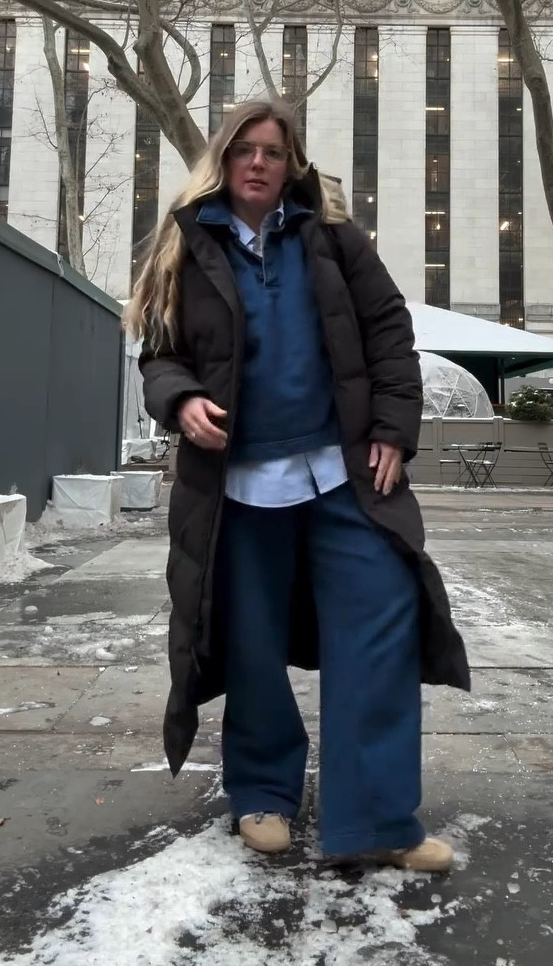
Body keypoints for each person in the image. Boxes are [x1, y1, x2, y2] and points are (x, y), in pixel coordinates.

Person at [125, 98, 470, 870]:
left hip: (343, 478)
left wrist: (393, 429)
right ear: (224, 158)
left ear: (292, 165)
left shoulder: (336, 240)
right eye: (245, 149)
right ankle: (262, 793)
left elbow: (389, 333)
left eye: (273, 152)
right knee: (251, 644)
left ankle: (379, 820)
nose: (258, 163)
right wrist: (180, 400)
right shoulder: (185, 246)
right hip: (237, 489)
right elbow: (159, 354)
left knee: (381, 629)